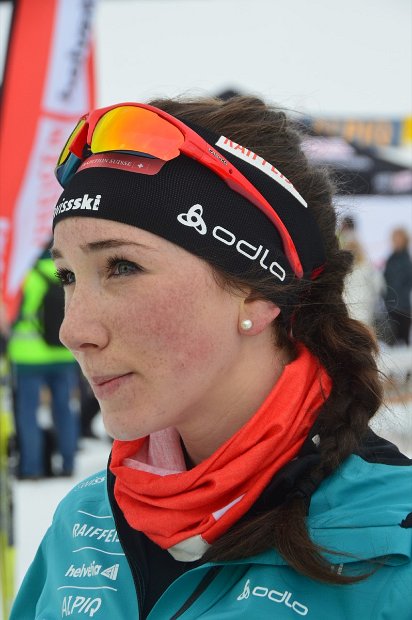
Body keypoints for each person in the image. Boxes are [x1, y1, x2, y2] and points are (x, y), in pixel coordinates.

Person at [11, 97, 411, 619]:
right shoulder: (84, 522)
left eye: (122, 267)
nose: (73, 331)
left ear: (255, 293)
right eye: (67, 276)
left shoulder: (393, 550)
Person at [8, 251, 79, 479]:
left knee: (28, 413)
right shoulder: (69, 272)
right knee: (64, 410)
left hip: (29, 357)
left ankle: (32, 468)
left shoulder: (25, 276)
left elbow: (14, 316)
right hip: (64, 354)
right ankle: (68, 464)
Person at [341, 237, 385, 330]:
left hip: (348, 307)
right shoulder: (368, 268)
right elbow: (378, 286)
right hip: (365, 306)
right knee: (364, 331)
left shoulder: (342, 271)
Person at [383, 227, 412, 346]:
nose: (396, 241)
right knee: (392, 342)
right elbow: (385, 279)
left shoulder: (407, 259)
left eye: (399, 238)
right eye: (394, 238)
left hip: (404, 306)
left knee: (404, 341)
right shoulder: (390, 259)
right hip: (390, 305)